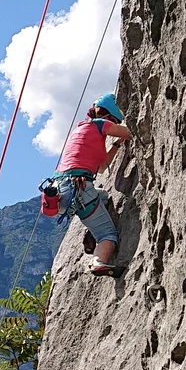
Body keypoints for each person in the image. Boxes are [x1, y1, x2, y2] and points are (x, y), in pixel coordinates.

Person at [40, 92, 132, 276]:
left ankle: (92, 228)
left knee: (103, 196)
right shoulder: (101, 124)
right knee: (108, 235)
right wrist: (120, 131)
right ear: (108, 116)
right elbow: (132, 132)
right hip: (79, 188)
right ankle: (98, 262)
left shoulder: (80, 130)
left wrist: (116, 145)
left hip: (60, 191)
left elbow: (101, 167)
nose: (113, 124)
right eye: (114, 120)